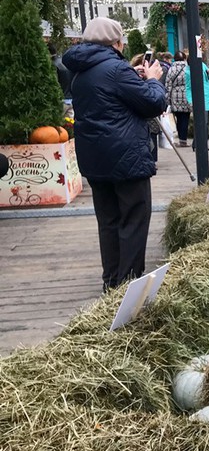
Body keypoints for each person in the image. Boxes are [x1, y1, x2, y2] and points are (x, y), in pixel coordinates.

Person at [62, 17, 166, 290]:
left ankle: (111, 280)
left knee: (108, 220)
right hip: (126, 156)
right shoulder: (117, 69)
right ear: (116, 43)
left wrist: (136, 79)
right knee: (133, 218)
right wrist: (154, 80)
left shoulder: (80, 70)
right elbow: (153, 103)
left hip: (95, 157)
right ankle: (128, 284)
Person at [130, 53, 163, 166]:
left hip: (151, 117)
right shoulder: (130, 77)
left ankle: (152, 159)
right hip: (143, 114)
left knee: (153, 134)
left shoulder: (150, 77)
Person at [165, 51, 190, 148]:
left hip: (175, 96)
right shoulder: (188, 68)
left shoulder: (171, 69)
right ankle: (183, 139)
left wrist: (168, 99)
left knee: (178, 118)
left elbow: (168, 85)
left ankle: (180, 139)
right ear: (184, 58)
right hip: (187, 95)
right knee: (185, 118)